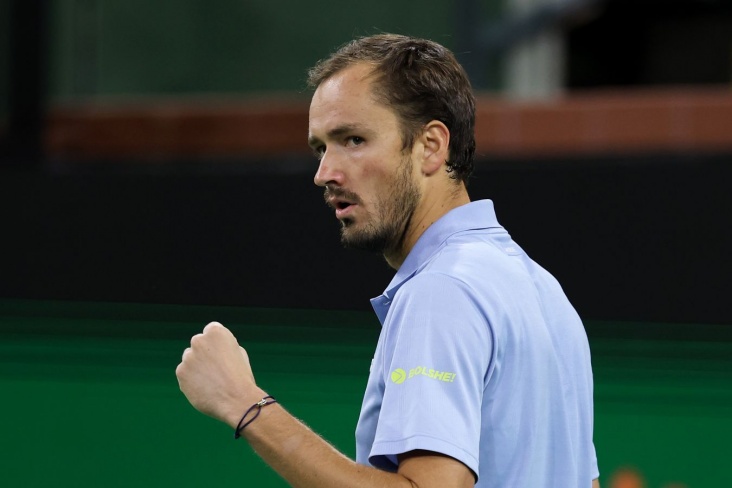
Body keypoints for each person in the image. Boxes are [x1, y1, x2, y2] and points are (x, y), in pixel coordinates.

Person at [176, 33, 600, 488]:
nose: (324, 173)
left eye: (354, 139)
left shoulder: (441, 291)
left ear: (431, 146)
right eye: (321, 148)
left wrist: (244, 403)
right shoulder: (542, 289)